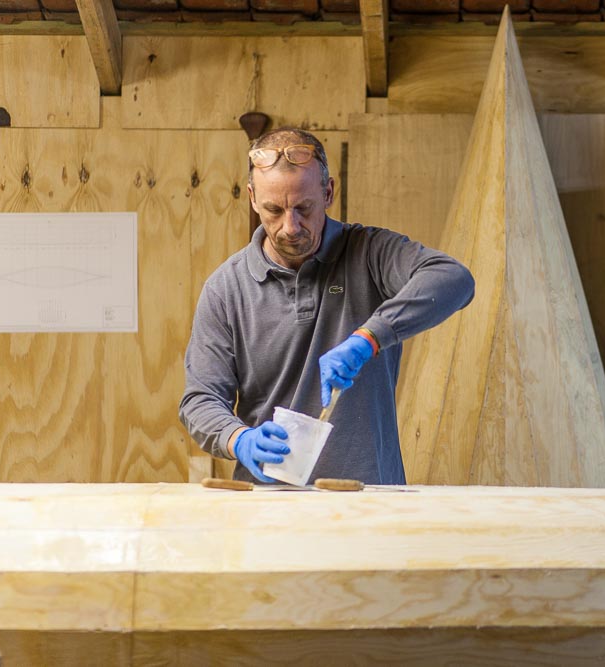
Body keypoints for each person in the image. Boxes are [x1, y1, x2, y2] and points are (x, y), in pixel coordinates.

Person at [179, 127, 474, 485]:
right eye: (274, 210)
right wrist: (239, 440)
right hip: (269, 506)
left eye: (304, 208)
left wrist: (369, 337)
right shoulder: (227, 289)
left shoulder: (370, 253)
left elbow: (454, 279)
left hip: (368, 501)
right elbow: (200, 400)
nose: (290, 227)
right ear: (253, 198)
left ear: (328, 192)